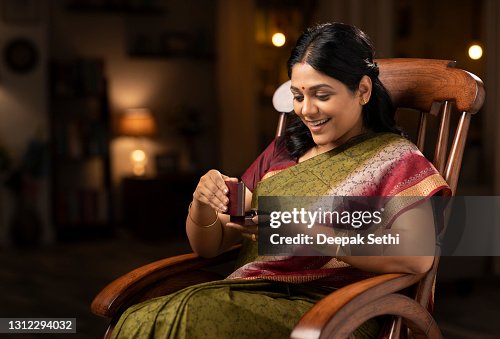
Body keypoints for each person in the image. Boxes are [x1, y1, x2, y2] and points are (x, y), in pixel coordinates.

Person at [111, 23, 449, 339]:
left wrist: (312, 235)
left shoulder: (397, 159)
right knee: (142, 315)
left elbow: (415, 257)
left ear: (362, 90)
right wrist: (202, 205)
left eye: (322, 94)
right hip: (253, 292)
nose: (307, 110)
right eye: (299, 96)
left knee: (187, 317)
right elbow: (209, 245)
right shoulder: (282, 151)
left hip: (333, 312)